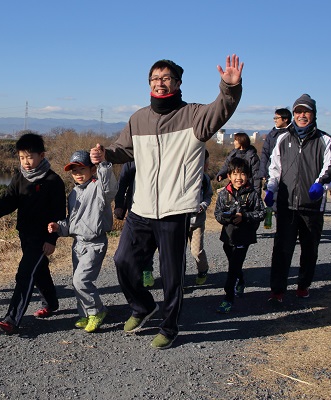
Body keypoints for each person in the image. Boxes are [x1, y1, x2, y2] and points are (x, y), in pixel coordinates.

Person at [90, 55, 243, 349]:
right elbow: (123, 150)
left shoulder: (194, 115)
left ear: (178, 83)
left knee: (172, 274)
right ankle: (142, 306)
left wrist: (229, 87)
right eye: (154, 78)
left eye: (166, 78)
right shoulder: (139, 118)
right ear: (149, 83)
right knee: (123, 260)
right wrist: (104, 154)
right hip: (142, 207)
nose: (160, 83)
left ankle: (169, 327)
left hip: (176, 207)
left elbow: (222, 109)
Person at [0, 133, 66, 335]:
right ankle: (51, 302)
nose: (26, 162)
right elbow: (9, 199)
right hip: (25, 234)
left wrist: (51, 240)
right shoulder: (20, 177)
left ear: (41, 155)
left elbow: (59, 214)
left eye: (30, 157)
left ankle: (12, 319)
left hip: (41, 237)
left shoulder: (53, 180)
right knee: (39, 270)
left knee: (25, 273)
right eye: (21, 157)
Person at [264, 94, 331, 304]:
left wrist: (321, 185)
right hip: (286, 205)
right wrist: (271, 189)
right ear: (294, 114)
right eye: (298, 112)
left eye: (306, 111)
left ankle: (303, 285)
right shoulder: (283, 138)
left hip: (312, 206)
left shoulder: (324, 140)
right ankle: (277, 290)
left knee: (309, 248)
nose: (301, 115)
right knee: (282, 249)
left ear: (313, 114)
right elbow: (275, 168)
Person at [48, 150, 117, 333]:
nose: (78, 174)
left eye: (82, 169)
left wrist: (102, 164)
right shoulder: (73, 193)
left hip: (95, 243)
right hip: (78, 243)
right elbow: (72, 222)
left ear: (92, 170)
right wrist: (59, 227)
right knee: (76, 280)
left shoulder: (98, 188)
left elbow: (109, 188)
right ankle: (85, 314)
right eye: (74, 170)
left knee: (81, 280)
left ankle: (97, 311)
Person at [214, 157, 264, 313]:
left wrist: (245, 216)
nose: (238, 178)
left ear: (247, 175)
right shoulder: (224, 194)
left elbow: (261, 213)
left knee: (233, 267)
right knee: (234, 264)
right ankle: (241, 280)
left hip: (244, 237)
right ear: (229, 176)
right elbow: (217, 213)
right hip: (228, 237)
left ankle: (228, 297)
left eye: (242, 174)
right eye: (235, 174)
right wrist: (225, 217)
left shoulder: (252, 194)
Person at [113, 161, 156, 287]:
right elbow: (122, 185)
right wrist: (119, 206)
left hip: (160, 209)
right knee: (137, 245)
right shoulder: (131, 161)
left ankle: (151, 272)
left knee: (153, 244)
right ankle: (142, 272)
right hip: (136, 210)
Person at [189, 150, 214, 285]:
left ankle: (202, 270)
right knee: (177, 254)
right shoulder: (183, 176)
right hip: (181, 221)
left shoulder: (205, 179)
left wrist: (203, 205)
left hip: (197, 221)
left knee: (196, 251)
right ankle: (178, 277)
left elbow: (208, 195)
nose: (206, 165)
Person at [259, 108, 292, 185]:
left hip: (287, 174)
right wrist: (263, 171)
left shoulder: (292, 134)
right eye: (274, 118)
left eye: (277, 118)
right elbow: (265, 153)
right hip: (271, 173)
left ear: (285, 119)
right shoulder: (272, 134)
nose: (275, 120)